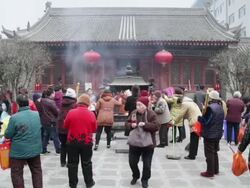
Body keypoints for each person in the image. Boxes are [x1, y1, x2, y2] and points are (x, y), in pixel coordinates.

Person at [4, 94, 43, 188]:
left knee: (17, 174)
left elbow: (8, 135)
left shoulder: (14, 118)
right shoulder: (36, 114)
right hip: (35, 149)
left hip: (18, 152)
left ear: (18, 104)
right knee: (37, 172)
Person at [64, 94, 97, 188]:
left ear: (78, 102)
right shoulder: (91, 114)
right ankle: (89, 182)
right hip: (86, 142)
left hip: (72, 141)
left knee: (72, 163)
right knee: (87, 163)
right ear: (88, 103)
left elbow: (65, 125)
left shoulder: (71, 112)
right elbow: (94, 129)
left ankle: (73, 184)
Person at [127, 99, 160, 188]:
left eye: (140, 105)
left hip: (148, 144)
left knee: (147, 165)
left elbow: (157, 126)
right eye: (137, 105)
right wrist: (131, 125)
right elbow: (127, 123)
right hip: (135, 143)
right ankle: (135, 175)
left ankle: (145, 179)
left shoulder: (151, 114)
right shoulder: (134, 113)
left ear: (145, 106)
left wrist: (145, 125)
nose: (137, 107)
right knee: (132, 162)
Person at [198, 90, 224, 178]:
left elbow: (206, 122)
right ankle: (215, 170)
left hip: (210, 134)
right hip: (218, 133)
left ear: (211, 98)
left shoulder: (210, 108)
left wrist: (200, 118)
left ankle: (210, 172)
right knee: (214, 152)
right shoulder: (221, 107)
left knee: (209, 153)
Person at [174, 95, 202, 160]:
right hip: (198, 120)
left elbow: (181, 114)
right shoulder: (191, 102)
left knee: (193, 138)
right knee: (195, 138)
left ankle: (191, 155)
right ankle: (193, 153)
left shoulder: (185, 104)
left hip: (194, 121)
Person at [57, 88, 77, 167]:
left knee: (63, 145)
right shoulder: (74, 105)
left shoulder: (61, 102)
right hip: (70, 127)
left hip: (61, 126)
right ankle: (69, 162)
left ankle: (62, 162)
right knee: (70, 146)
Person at [38, 87, 60, 154]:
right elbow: (56, 111)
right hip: (51, 121)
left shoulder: (41, 100)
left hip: (44, 120)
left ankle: (43, 149)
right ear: (51, 94)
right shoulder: (51, 102)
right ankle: (58, 149)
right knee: (55, 135)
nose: (54, 94)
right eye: (54, 93)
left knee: (46, 135)